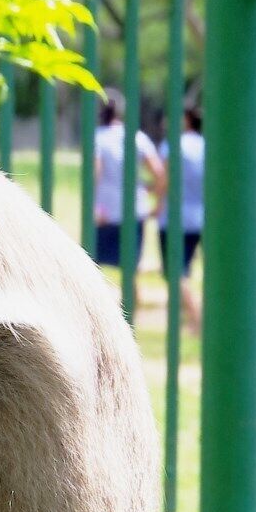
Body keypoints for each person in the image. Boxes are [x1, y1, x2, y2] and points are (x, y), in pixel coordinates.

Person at [90, 88, 162, 279]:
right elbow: (159, 174)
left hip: (106, 212)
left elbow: (95, 173)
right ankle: (131, 307)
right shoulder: (137, 137)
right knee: (131, 272)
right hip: (134, 211)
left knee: (93, 268)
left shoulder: (98, 138)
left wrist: (93, 205)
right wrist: (149, 190)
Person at [161, 103, 206, 335]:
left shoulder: (174, 145)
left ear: (186, 120)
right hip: (201, 218)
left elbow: (164, 179)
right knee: (186, 272)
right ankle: (182, 321)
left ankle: (198, 320)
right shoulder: (206, 145)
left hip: (174, 218)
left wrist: (155, 201)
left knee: (176, 274)